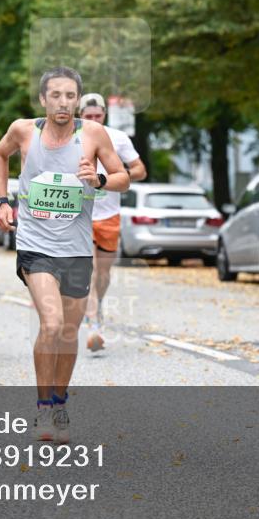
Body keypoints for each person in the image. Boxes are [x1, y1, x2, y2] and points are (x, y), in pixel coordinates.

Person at [0, 67, 129, 443]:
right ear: (43, 99)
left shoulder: (93, 134)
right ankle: (42, 408)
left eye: (70, 95)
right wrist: (2, 201)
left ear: (78, 100)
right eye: (55, 95)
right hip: (35, 245)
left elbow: (123, 178)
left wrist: (99, 179)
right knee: (51, 324)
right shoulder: (24, 130)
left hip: (76, 248)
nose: (63, 102)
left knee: (68, 331)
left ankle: (59, 401)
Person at [77, 94, 147, 352]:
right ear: (80, 115)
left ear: (104, 115)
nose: (94, 120)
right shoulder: (70, 137)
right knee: (90, 269)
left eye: (98, 116)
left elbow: (140, 170)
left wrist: (117, 176)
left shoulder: (117, 138)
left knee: (104, 274)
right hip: (80, 214)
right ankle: (93, 325)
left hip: (109, 215)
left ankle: (96, 307)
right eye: (88, 116)